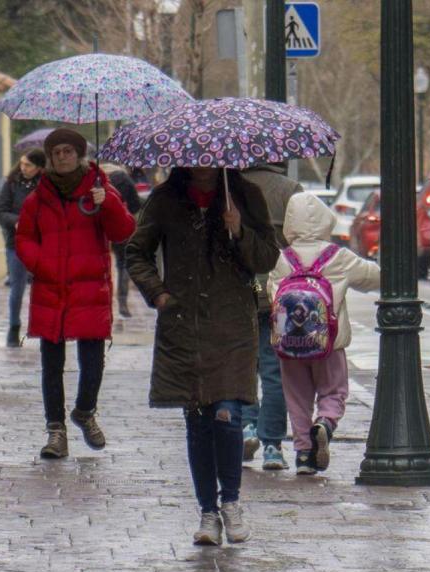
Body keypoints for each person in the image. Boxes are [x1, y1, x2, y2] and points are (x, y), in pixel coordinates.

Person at [126, 167, 279, 547]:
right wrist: (159, 294)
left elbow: (266, 258)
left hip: (232, 324)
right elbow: (136, 253)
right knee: (197, 420)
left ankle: (231, 503)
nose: (203, 167)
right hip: (184, 325)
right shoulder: (166, 199)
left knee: (228, 415)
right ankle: (207, 511)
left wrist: (239, 230)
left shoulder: (245, 195)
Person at [15, 128, 136, 459]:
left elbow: (123, 230)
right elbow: (24, 238)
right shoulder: (38, 199)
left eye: (68, 151)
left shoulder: (100, 190)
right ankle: (56, 431)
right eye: (56, 153)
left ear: (79, 155)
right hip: (51, 287)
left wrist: (107, 203)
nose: (62, 157)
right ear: (50, 158)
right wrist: (42, 264)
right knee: (51, 362)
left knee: (92, 360)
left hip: (90, 287)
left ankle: (85, 411)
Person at [267, 192, 380, 475]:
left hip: (289, 345)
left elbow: (270, 293)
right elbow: (373, 277)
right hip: (328, 343)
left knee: (297, 399)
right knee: (334, 391)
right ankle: (325, 423)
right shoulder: (337, 257)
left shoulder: (281, 259)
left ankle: (304, 455)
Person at [240, 164, 303, 470]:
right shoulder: (289, 189)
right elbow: (300, 240)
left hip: (238, 289)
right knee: (275, 371)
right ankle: (272, 445)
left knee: (241, 367)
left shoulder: (231, 186)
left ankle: (247, 426)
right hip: (279, 291)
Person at [0, 148, 46, 347]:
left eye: (28, 165)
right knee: (17, 287)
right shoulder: (11, 184)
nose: (23, 167)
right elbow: (0, 213)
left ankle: (43, 327)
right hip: (15, 243)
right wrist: (17, 221)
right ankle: (14, 327)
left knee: (44, 288)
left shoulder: (46, 186)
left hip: (42, 244)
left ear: (39, 168)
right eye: (22, 163)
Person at [99, 163, 142, 318]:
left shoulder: (99, 178)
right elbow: (136, 205)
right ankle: (122, 301)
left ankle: (103, 299)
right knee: (123, 263)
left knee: (103, 264)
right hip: (123, 225)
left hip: (101, 227)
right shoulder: (126, 179)